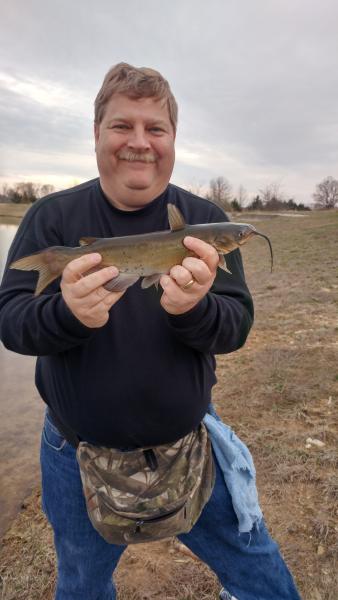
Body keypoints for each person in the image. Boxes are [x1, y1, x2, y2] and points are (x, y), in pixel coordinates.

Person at [0, 63, 301, 600]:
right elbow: (12, 322)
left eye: (155, 128)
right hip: (75, 453)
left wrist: (192, 310)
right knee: (82, 586)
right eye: (122, 126)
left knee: (261, 574)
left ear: (172, 140)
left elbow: (236, 326)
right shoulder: (51, 218)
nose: (139, 142)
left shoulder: (204, 218)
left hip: (190, 445)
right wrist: (68, 316)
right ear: (97, 133)